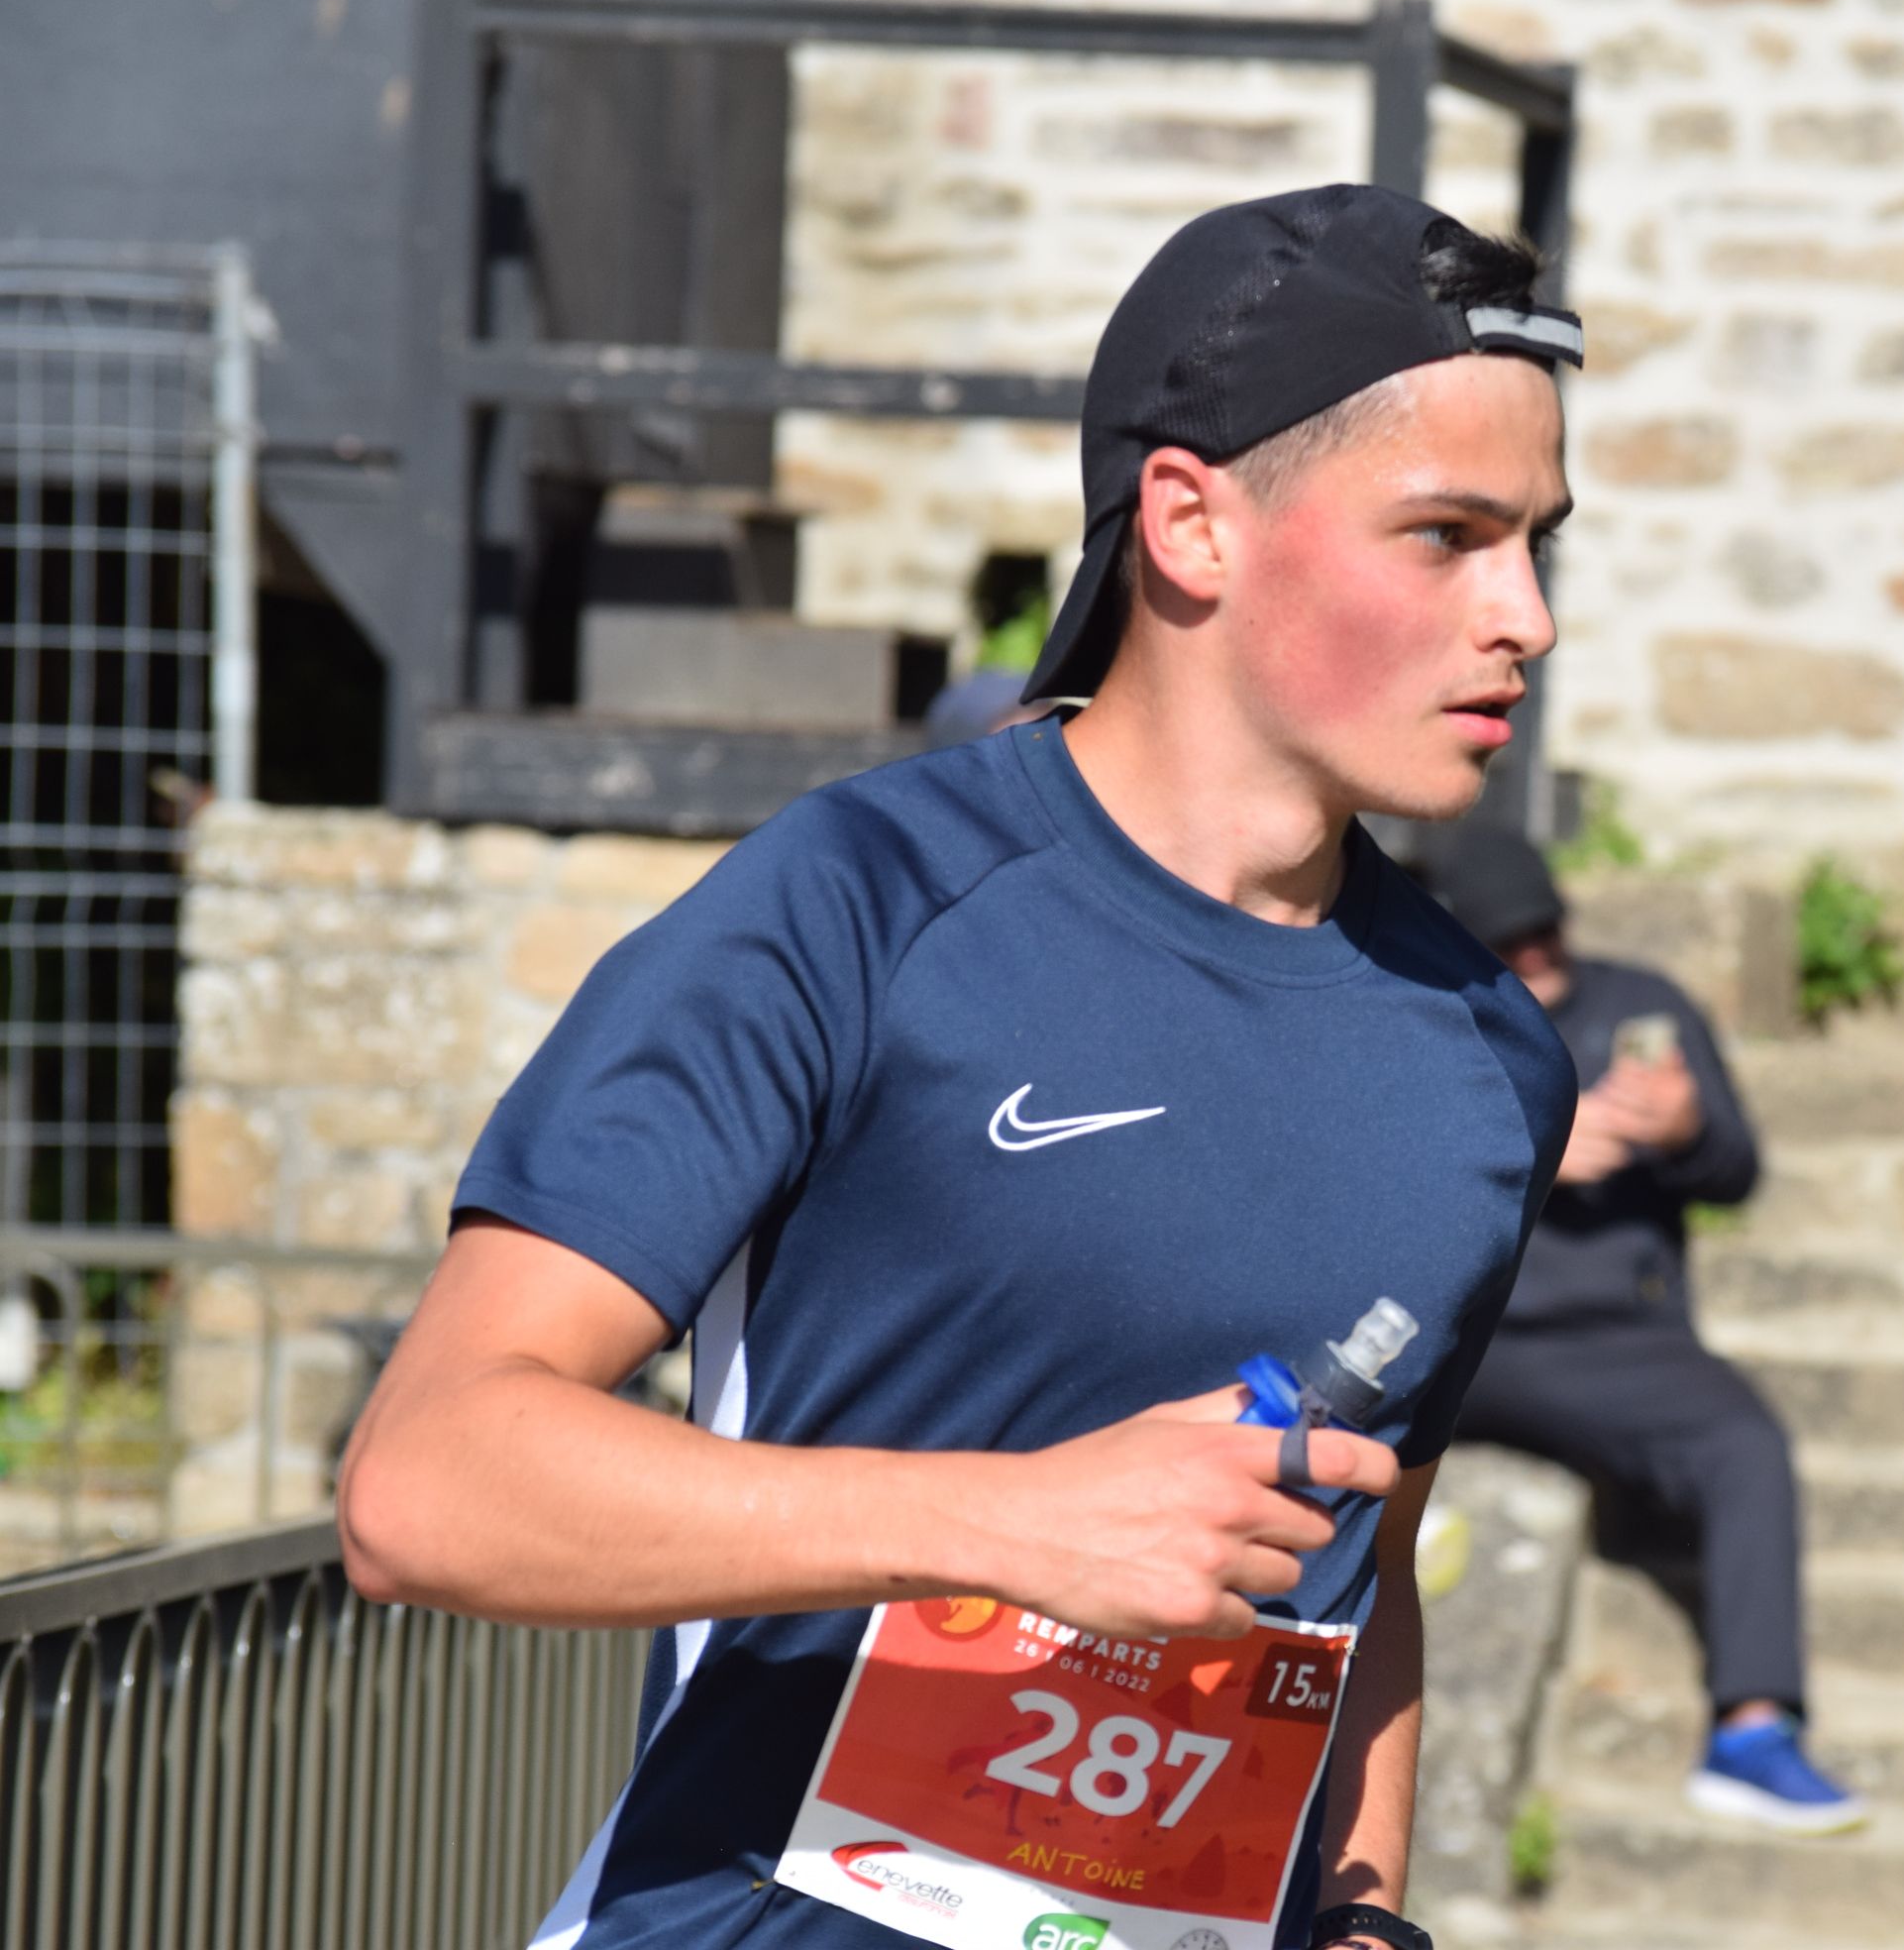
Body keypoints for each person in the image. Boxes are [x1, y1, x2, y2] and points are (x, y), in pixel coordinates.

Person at [337, 185, 1587, 1950]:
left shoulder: (1491, 1063)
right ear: (1191, 525)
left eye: (1537, 544)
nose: (1524, 615)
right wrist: (1009, 1528)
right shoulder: (858, 902)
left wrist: (1364, 1905)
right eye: (1446, 535)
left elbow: (1358, 1573)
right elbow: (426, 1485)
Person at [1422, 826, 1867, 1837]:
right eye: (1510, 941)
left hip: (1612, 1339)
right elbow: (1371, 1182)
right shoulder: (1431, 1012)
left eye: (1546, 930)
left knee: (1745, 1442)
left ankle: (1753, 1730)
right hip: (1457, 1328)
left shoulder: (1641, 1002)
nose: (1536, 954)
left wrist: (1684, 1132)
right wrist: (1529, 1152)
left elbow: (1737, 1172)